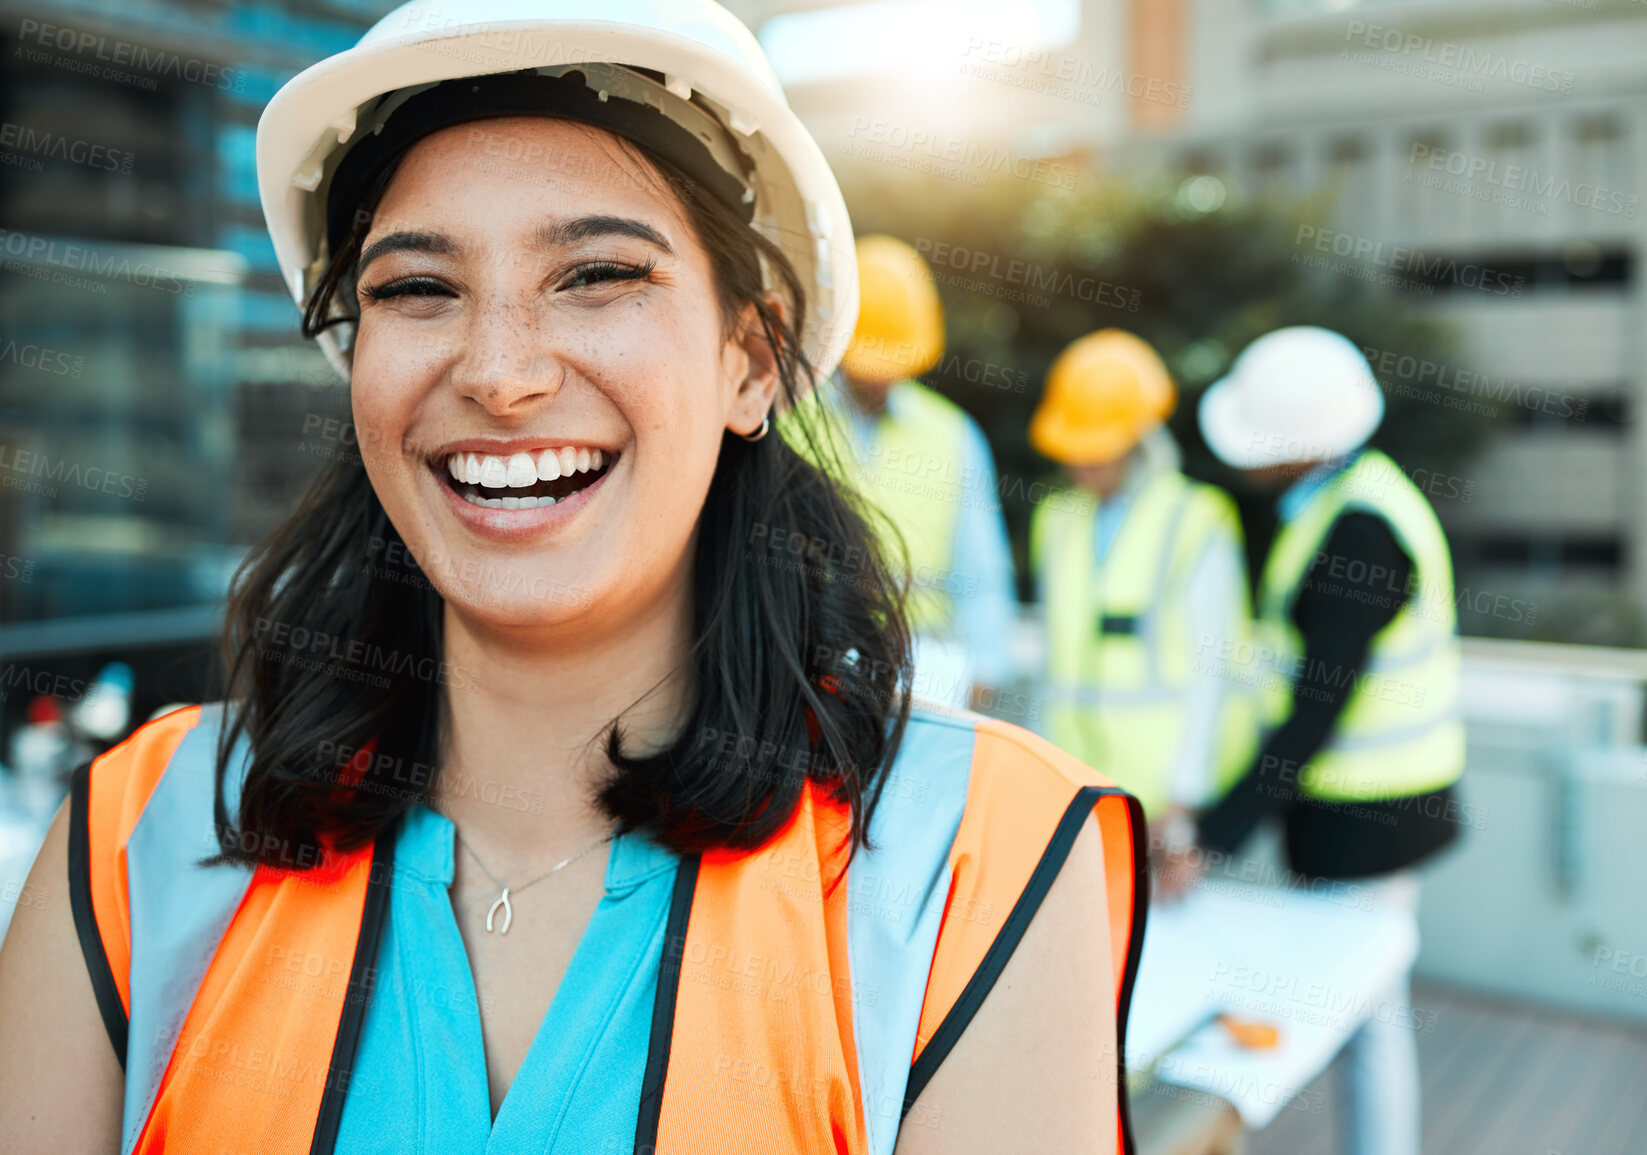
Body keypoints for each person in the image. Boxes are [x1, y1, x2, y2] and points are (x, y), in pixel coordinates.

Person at [0, 4, 1148, 1153]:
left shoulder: (970, 864)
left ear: (751, 361)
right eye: (416, 289)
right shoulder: (136, 840)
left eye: (596, 273)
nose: (500, 373)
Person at [1171, 325, 1466, 1155]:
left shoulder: (1357, 534)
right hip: (1365, 813)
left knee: (1359, 1011)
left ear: (1293, 447)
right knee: (1362, 1007)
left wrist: (1213, 835)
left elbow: (1311, 713)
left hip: (1369, 819)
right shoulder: (1349, 501)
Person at [1028, 329, 1257, 871]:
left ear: (1136, 437)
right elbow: (1052, 664)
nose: (1082, 463)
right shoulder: (1056, 519)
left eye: (1097, 448)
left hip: (1164, 798)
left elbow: (1213, 666)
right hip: (1074, 788)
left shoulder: (1197, 518)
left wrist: (1183, 801)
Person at [786, 235, 1018, 713]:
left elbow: (980, 565)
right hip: (804, 650)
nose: (877, 376)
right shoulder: (791, 417)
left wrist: (986, 666)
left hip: (926, 661)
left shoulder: (953, 434)